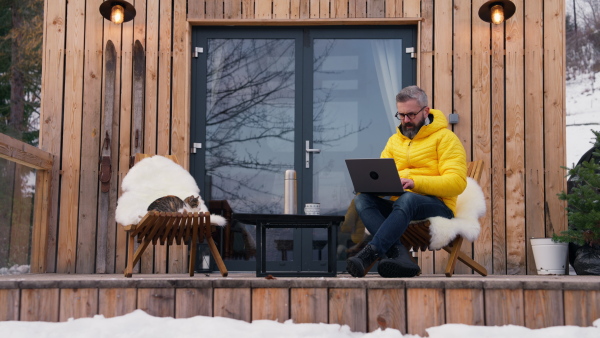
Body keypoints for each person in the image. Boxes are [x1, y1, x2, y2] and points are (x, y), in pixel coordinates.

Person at [347, 85, 467, 278]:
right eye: (401, 115)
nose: (406, 121)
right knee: (362, 200)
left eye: (411, 115)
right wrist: (370, 186)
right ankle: (401, 256)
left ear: (425, 111)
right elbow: (382, 176)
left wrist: (415, 182)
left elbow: (457, 182)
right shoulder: (394, 142)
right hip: (401, 207)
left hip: (438, 206)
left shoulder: (446, 139)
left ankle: (369, 254)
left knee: (408, 198)